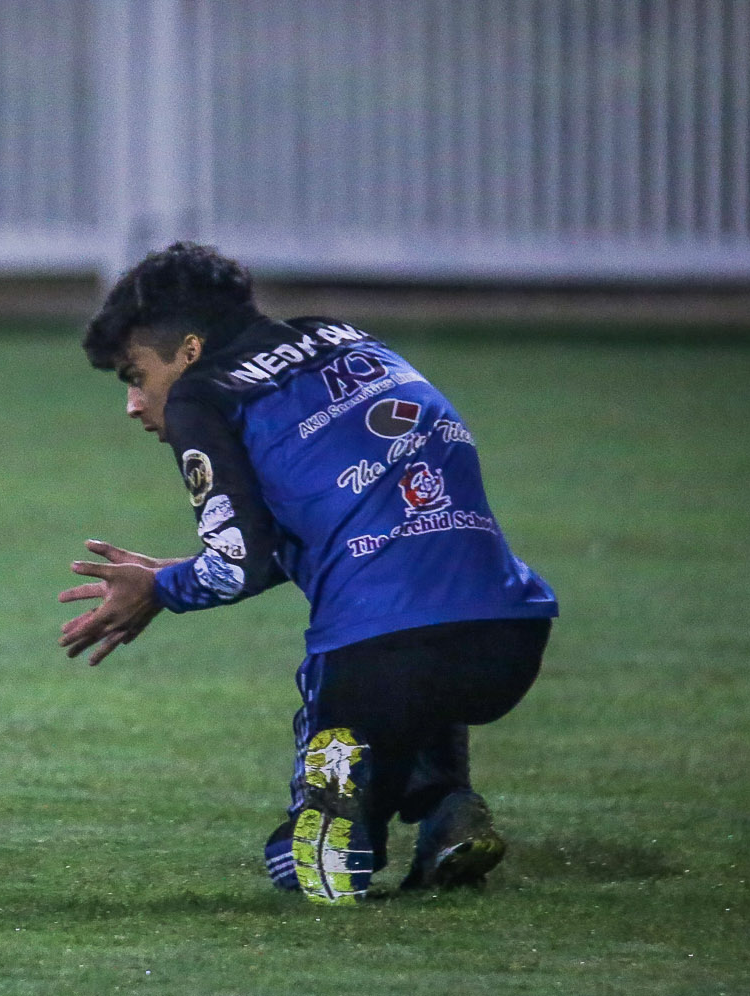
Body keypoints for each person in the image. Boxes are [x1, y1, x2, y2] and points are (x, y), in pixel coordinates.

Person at [57, 242, 557, 905]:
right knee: (414, 652)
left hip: (380, 659)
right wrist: (172, 575)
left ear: (189, 351)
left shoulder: (202, 395)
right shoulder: (343, 338)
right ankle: (447, 810)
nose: (133, 404)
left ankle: (339, 838)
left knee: (307, 867)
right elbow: (340, 531)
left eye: (135, 375)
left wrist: (164, 589)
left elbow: (237, 565)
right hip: (509, 635)